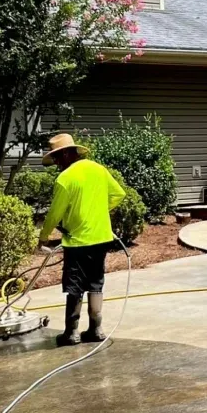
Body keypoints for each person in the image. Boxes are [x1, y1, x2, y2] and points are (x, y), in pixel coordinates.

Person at [38, 133, 125, 347]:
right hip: (101, 238)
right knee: (95, 282)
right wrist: (97, 213)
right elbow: (118, 194)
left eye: (57, 158)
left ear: (67, 153)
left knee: (75, 285)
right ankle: (96, 329)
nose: (57, 164)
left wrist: (43, 236)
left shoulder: (65, 179)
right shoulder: (99, 170)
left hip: (77, 241)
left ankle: (72, 333)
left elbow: (55, 214)